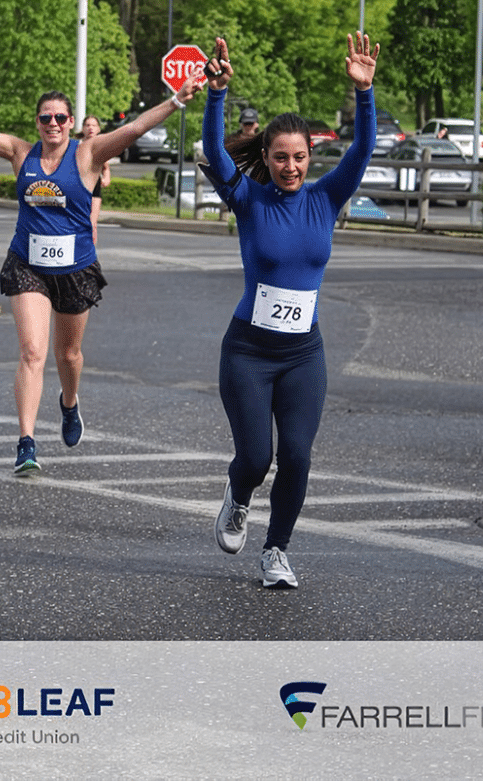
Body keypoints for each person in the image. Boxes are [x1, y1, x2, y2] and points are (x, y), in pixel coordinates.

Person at [0, 66, 206, 476]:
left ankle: (69, 403)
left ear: (71, 123)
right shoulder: (20, 152)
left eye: (60, 118)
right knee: (32, 352)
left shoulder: (87, 154)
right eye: (45, 117)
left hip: (75, 269)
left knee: (68, 354)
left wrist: (176, 100)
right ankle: (26, 444)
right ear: (37, 122)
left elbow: (137, 128)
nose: (53, 124)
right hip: (28, 264)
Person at [201, 33, 378, 589]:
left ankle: (276, 551)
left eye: (300, 157)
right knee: (256, 458)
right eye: (281, 157)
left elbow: (363, 150)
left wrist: (364, 93)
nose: (291, 166)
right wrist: (217, 94)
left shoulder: (326, 198)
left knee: (297, 457)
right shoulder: (248, 199)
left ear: (309, 157)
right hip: (249, 352)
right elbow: (214, 151)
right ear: (268, 159)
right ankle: (237, 494)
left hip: (304, 353)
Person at [80, 115, 110, 244]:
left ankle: (90, 256)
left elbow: (105, 168)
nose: (90, 128)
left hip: (94, 188)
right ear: (82, 129)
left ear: (98, 129)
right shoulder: (76, 146)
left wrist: (107, 178)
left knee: (92, 224)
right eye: (87, 125)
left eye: (93, 125)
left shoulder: (101, 146)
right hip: (78, 187)